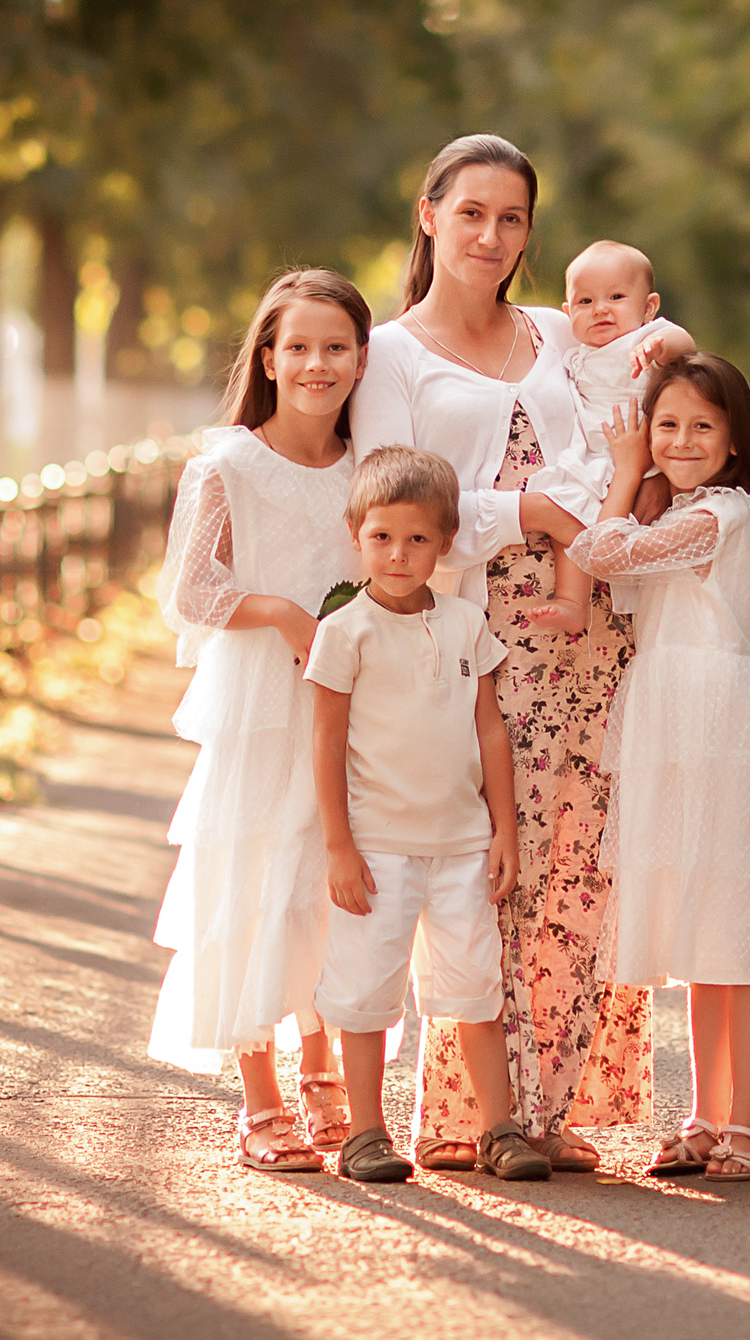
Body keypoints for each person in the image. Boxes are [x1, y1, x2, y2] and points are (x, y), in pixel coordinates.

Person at [349, 133, 652, 1175]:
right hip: (477, 633)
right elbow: (391, 491)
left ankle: (555, 1107)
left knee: (579, 861)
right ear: (428, 213)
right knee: (492, 860)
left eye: (512, 217)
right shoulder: (391, 352)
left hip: (593, 627)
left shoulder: (566, 328)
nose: (491, 234)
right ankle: (475, 1108)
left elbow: (655, 367)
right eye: (471, 212)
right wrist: (520, 507)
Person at [568, 352, 750, 1184]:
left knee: (735, 926)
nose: (679, 440)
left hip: (719, 721)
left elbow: (603, 552)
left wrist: (626, 467)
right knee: (699, 923)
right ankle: (706, 1115)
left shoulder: (726, 514)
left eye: (700, 425)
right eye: (664, 423)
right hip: (669, 719)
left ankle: (745, 1122)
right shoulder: (680, 512)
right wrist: (641, 481)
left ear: (736, 440)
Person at [147, 268, 371, 1174]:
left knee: (334, 873)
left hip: (354, 699)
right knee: (253, 876)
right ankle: (261, 1096)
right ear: (268, 358)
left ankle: (326, 1071)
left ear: (361, 358)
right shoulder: (228, 464)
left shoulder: (371, 462)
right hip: (261, 698)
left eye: (336, 346)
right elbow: (188, 592)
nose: (316, 364)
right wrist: (283, 612)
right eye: (298, 347)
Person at [306, 445, 553, 1184]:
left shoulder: (466, 623)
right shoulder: (344, 631)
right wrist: (338, 845)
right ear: (357, 533)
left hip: (461, 845)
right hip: (378, 846)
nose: (399, 553)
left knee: (476, 985)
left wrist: (503, 829)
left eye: (417, 538)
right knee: (364, 989)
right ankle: (365, 1132)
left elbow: (490, 729)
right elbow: (326, 738)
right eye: (382, 536)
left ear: (445, 542)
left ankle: (499, 1127)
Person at [525, 239, 696, 635]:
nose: (600, 308)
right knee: (568, 514)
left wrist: (658, 347)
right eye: (585, 302)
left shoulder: (647, 337)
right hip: (593, 460)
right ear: (568, 313)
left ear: (648, 307)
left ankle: (664, 617)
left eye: (616, 297)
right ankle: (571, 600)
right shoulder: (575, 354)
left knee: (647, 541)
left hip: (646, 457)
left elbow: (683, 345)